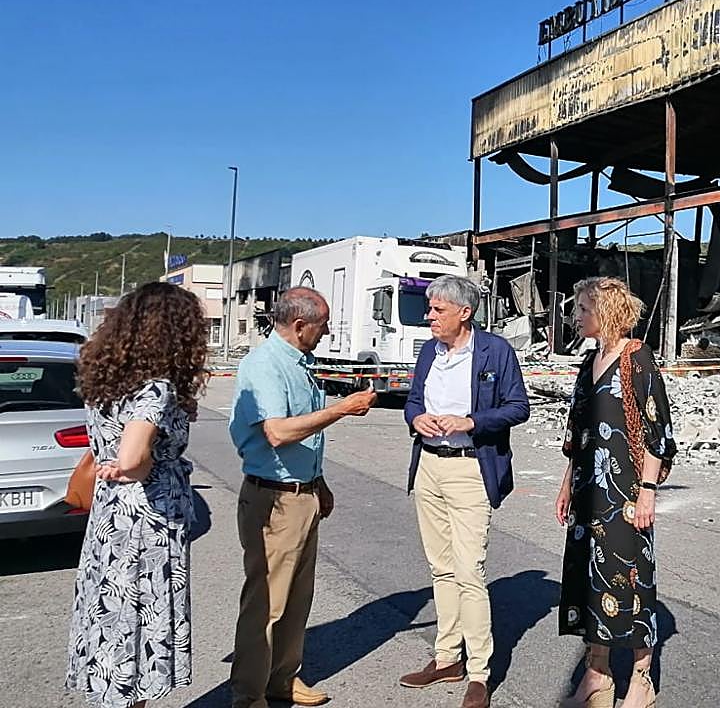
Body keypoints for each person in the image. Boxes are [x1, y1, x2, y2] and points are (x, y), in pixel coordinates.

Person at [228, 287, 376, 708]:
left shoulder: (300, 363)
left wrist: (319, 481)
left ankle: (282, 678)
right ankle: (248, 694)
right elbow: (279, 432)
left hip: (301, 493)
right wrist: (342, 409)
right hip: (273, 500)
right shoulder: (266, 365)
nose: (327, 331)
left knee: (297, 598)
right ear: (299, 325)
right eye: (322, 324)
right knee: (268, 603)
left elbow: (302, 443)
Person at [66, 282, 209, 708]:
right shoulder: (156, 387)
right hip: (145, 523)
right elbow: (132, 456)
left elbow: (119, 444)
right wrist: (141, 464)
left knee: (112, 624)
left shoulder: (109, 382)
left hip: (110, 518)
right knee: (135, 626)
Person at [400, 274, 529, 708]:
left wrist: (471, 421)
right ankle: (445, 658)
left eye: (438, 309)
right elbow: (413, 401)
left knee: (469, 571)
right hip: (430, 467)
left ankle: (479, 673)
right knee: (441, 569)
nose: (429, 316)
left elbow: (518, 407)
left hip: (470, 469)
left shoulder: (496, 350)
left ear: (464, 312)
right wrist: (416, 419)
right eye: (430, 308)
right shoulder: (427, 352)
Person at [555, 277, 677, 708]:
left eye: (583, 309)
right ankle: (597, 676)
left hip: (625, 495)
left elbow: (656, 432)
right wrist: (568, 482)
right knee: (589, 582)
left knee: (631, 581)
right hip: (589, 494)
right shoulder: (588, 361)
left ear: (605, 312)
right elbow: (578, 430)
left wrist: (647, 492)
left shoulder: (636, 357)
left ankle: (641, 678)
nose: (576, 316)